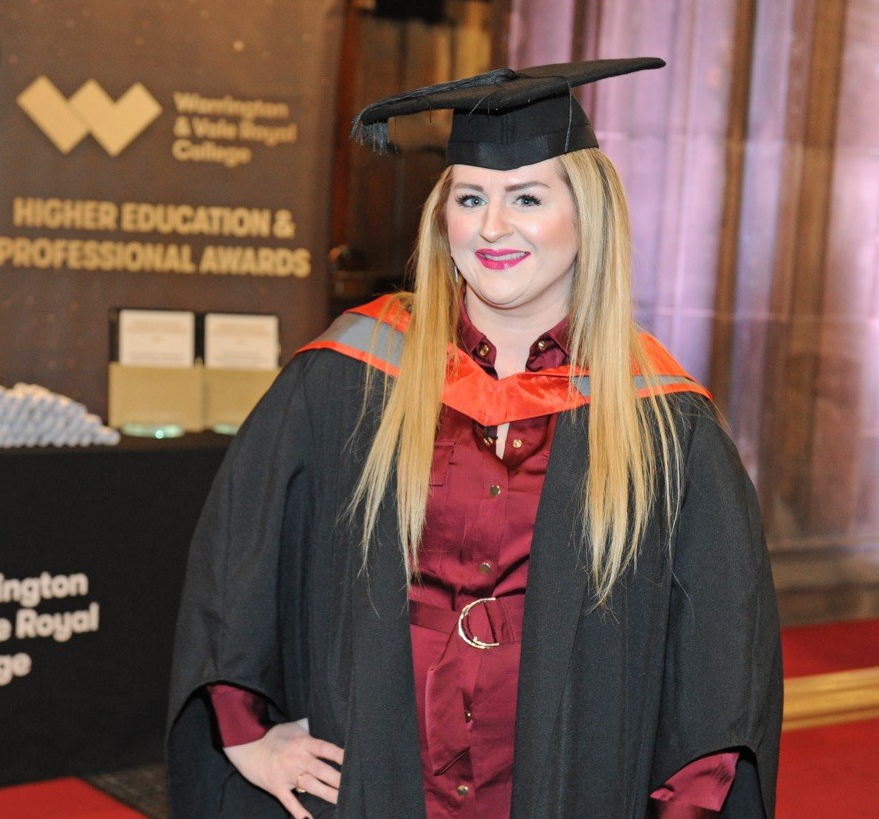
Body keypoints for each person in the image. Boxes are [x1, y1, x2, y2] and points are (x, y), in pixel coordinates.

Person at [167, 58, 782, 818]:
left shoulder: (662, 420)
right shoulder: (345, 378)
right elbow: (236, 561)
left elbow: (721, 658)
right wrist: (242, 729)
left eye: (526, 196)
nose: (493, 226)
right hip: (378, 789)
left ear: (586, 214)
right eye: (470, 197)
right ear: (442, 217)